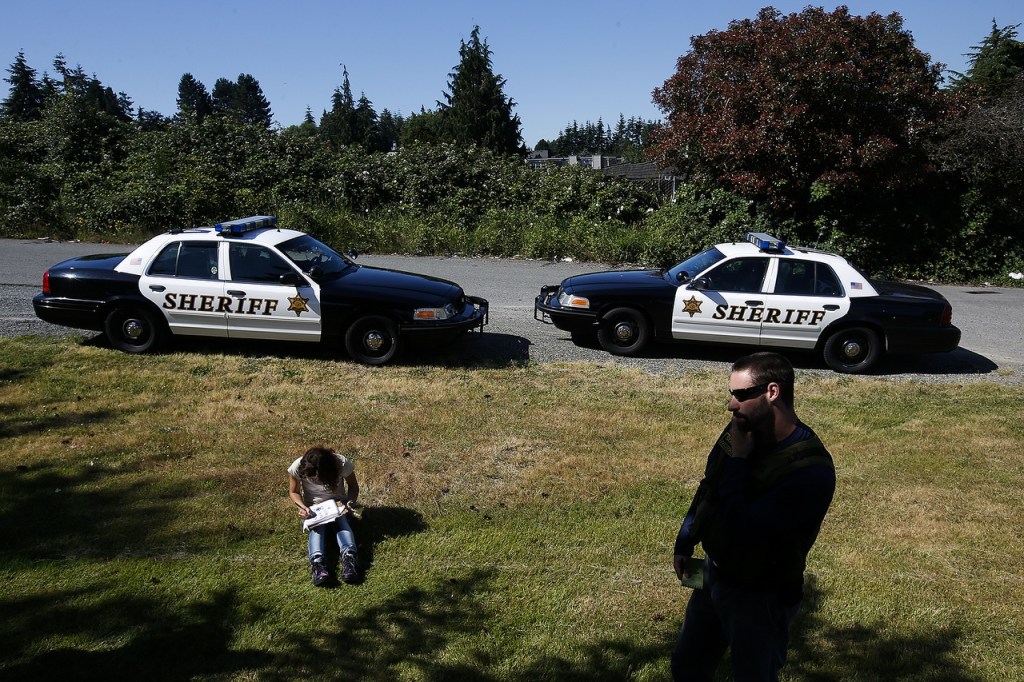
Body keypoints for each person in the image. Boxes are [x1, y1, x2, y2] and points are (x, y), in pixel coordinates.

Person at [671, 352, 836, 681]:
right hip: (713, 577)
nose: (732, 405)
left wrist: (740, 462)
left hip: (761, 597)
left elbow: (745, 528)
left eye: (741, 395)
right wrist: (686, 538)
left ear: (772, 392)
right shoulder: (739, 430)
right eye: (730, 394)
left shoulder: (810, 470)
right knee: (687, 666)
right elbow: (711, 484)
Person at [288, 446, 361, 586]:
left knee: (342, 522)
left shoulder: (341, 463)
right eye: (311, 478)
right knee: (317, 527)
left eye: (317, 477)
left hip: (338, 503)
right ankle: (317, 563)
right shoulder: (297, 466)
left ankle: (349, 559)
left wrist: (350, 503)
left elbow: (353, 486)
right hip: (313, 507)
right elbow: (294, 492)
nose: (314, 479)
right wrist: (303, 507)